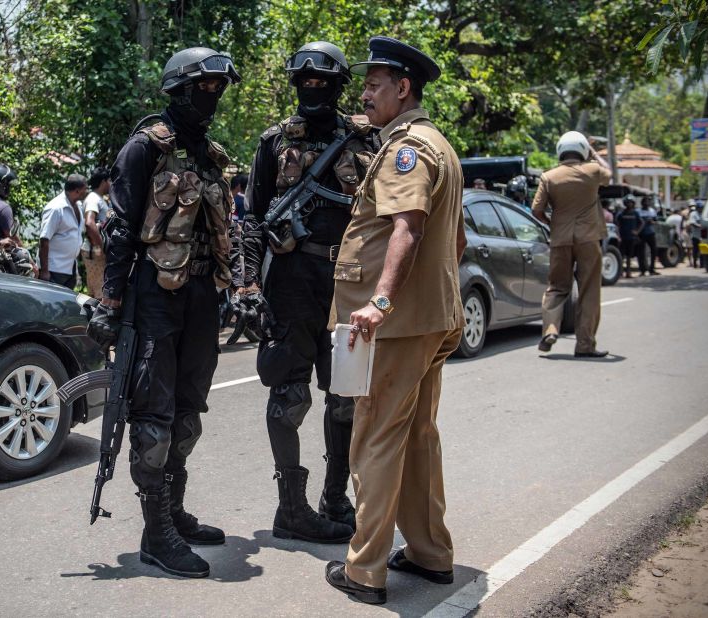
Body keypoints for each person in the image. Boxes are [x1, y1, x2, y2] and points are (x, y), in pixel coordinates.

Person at [85, 47, 240, 579]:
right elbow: (121, 229)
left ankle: (173, 510)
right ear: (178, 89)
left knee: (188, 412)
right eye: (205, 88)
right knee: (153, 417)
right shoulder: (142, 148)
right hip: (155, 296)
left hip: (200, 294)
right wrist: (108, 302)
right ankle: (156, 533)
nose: (213, 97)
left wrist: (239, 289)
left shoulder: (208, 153)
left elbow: (224, 229)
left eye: (219, 89)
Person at [321, 36, 465, 605]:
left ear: (403, 88)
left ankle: (365, 570)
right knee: (418, 437)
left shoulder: (408, 148)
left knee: (375, 437)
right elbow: (452, 237)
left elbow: (408, 226)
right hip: (430, 319)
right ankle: (431, 554)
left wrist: (380, 302)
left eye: (375, 84)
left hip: (398, 324)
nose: (365, 94)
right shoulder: (441, 145)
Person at [239, 41, 378, 545]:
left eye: (322, 82)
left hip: (348, 283)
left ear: (340, 85)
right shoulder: (274, 141)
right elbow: (250, 217)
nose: (312, 90)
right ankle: (291, 508)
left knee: (345, 396)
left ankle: (335, 497)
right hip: (291, 283)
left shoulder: (368, 140)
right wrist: (248, 283)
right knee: (289, 396)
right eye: (304, 82)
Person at [531, 132, 611, 357]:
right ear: (583, 150)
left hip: (560, 239)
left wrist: (551, 223)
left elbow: (536, 210)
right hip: (588, 239)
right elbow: (611, 174)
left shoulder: (549, 177)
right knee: (589, 292)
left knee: (556, 288)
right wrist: (594, 153)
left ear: (559, 151)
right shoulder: (593, 170)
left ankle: (550, 330)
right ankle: (585, 345)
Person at [38, 174, 88, 289]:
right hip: (54, 269)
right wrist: (45, 271)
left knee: (65, 305)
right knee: (51, 304)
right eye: (85, 189)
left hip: (69, 268)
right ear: (77, 191)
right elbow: (44, 240)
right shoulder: (56, 208)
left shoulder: (78, 206)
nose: (87, 192)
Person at [81, 166, 111, 298]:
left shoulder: (99, 198)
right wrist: (101, 246)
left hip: (95, 249)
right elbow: (89, 222)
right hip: (95, 250)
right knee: (99, 291)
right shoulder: (93, 198)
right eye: (109, 180)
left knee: (98, 288)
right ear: (104, 181)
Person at [615, 195, 641, 278]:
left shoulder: (635, 213)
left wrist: (637, 231)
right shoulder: (621, 214)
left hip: (631, 238)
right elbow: (617, 225)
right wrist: (618, 235)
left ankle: (628, 272)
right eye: (628, 202)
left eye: (631, 203)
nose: (629, 204)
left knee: (629, 256)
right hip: (623, 237)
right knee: (621, 256)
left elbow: (641, 222)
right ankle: (620, 272)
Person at [637, 194, 660, 276]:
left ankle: (652, 269)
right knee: (641, 252)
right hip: (641, 234)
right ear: (642, 203)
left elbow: (656, 221)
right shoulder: (638, 211)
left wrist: (652, 222)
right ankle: (642, 270)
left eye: (648, 201)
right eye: (645, 201)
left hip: (651, 233)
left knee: (654, 250)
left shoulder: (652, 211)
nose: (646, 203)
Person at [688, 200, 703, 268]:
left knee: (702, 250)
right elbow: (692, 223)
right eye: (700, 208)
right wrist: (699, 226)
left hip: (703, 236)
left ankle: (702, 264)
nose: (701, 209)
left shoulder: (703, 213)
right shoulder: (693, 214)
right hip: (695, 235)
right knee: (695, 250)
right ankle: (694, 263)